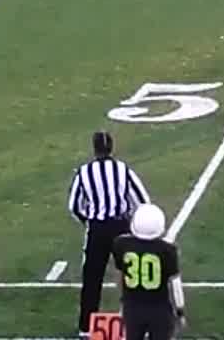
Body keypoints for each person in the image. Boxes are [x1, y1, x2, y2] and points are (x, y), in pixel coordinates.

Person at [67, 130, 151, 335]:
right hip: (121, 227)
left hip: (97, 228)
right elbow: (142, 201)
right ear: (111, 147)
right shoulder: (123, 170)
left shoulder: (84, 172)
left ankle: (86, 328)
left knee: (92, 279)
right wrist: (131, 222)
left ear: (94, 149)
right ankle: (138, 322)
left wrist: (88, 221)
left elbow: (74, 205)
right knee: (132, 276)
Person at [112, 203, 184, 340]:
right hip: (159, 309)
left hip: (132, 307)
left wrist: (123, 301)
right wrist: (180, 311)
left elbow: (119, 276)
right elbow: (175, 284)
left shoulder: (121, 244)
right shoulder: (167, 250)